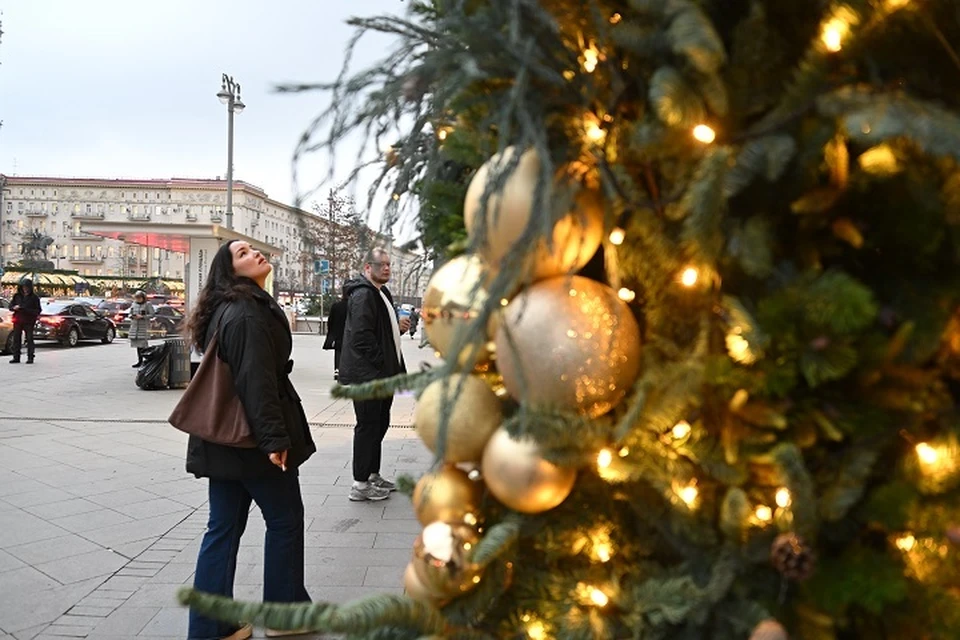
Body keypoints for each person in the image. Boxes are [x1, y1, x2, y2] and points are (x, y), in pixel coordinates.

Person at [183, 240, 317, 640]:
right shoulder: (245, 313)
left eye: (253, 250)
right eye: (243, 254)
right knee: (284, 520)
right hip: (252, 440)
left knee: (222, 528)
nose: (255, 254)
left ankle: (211, 627)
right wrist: (275, 441)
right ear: (231, 271)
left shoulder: (233, 308)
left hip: (224, 439)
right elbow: (255, 381)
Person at [339, 247, 410, 502]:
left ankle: (372, 474)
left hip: (381, 374)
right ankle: (360, 485)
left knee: (379, 423)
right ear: (367, 267)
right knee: (368, 426)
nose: (387, 269)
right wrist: (381, 362)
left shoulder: (380, 293)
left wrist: (397, 329)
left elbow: (377, 331)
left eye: (389, 264)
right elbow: (361, 337)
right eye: (381, 265)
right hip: (369, 376)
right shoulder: (363, 295)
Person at [9, 278, 41, 365]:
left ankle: (30, 356)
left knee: (29, 338)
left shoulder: (34, 298)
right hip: (18, 320)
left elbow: (37, 310)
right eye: (23, 287)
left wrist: (26, 309)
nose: (25, 289)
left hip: (29, 321)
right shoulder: (17, 296)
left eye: (26, 287)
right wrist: (14, 307)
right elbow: (10, 306)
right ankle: (16, 357)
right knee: (16, 338)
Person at [322, 286, 348, 381]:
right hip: (349, 333)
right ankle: (346, 371)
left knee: (338, 351)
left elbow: (330, 320)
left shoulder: (336, 306)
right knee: (348, 352)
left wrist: (331, 333)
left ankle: (337, 369)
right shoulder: (353, 306)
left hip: (337, 333)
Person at [128, 290, 154, 368]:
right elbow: (130, 313)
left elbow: (152, 314)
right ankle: (140, 361)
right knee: (138, 346)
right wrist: (132, 316)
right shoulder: (133, 304)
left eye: (139, 298)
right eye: (137, 298)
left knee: (144, 345)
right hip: (135, 327)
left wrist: (142, 317)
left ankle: (147, 361)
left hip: (143, 327)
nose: (138, 299)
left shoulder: (147, 304)